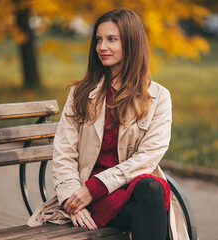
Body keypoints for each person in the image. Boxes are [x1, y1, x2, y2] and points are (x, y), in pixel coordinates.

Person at [28, 8, 189, 240]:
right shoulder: (80, 94)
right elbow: (63, 153)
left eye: (112, 39)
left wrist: (97, 187)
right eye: (99, 40)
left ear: (131, 43)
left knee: (151, 188)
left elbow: (149, 156)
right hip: (87, 197)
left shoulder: (158, 97)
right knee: (151, 211)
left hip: (125, 190)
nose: (102, 47)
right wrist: (73, 200)